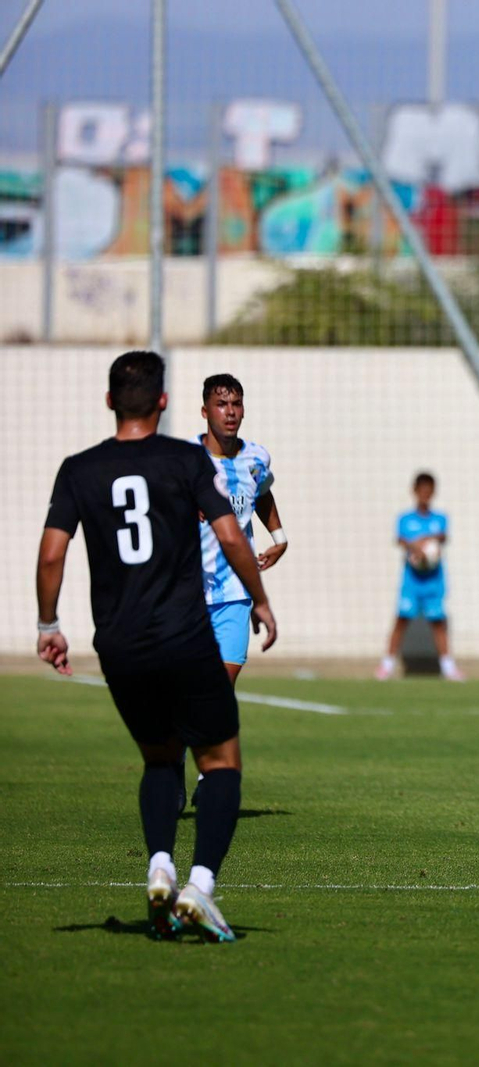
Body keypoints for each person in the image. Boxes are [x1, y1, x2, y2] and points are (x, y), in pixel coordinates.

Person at [35, 350, 277, 943]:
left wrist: (48, 625)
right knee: (220, 761)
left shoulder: (78, 470)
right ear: (164, 402)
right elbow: (231, 535)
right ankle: (199, 886)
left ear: (109, 401)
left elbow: (51, 554)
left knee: (160, 758)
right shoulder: (185, 459)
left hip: (119, 645)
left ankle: (160, 870)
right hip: (184, 633)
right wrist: (261, 599)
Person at [194, 373, 285, 685]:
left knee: (219, 690)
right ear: (205, 411)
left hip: (234, 593)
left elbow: (262, 493)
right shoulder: (187, 459)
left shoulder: (256, 458)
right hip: (189, 593)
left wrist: (280, 538)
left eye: (236, 404)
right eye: (221, 404)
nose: (230, 412)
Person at [376, 471, 463, 681]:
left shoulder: (440, 518)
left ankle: (448, 667)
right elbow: (400, 540)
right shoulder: (405, 519)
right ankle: (387, 665)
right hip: (412, 581)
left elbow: (442, 537)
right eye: (422, 490)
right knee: (401, 620)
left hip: (433, 580)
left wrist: (427, 542)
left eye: (429, 491)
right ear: (414, 491)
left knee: (438, 622)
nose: (425, 494)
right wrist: (415, 546)